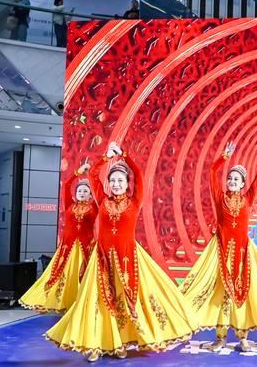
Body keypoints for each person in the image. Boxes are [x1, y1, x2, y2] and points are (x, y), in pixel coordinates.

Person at [45, 142, 198, 362]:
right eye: (113, 181)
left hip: (128, 260)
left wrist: (125, 156)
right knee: (97, 301)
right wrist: (107, 158)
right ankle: (95, 345)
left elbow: (139, 175)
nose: (116, 184)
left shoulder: (135, 201)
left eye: (120, 181)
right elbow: (94, 174)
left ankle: (121, 343)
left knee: (123, 302)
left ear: (127, 184)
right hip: (101, 259)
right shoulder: (102, 199)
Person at [180, 141, 257, 352]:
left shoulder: (248, 198)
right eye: (230, 178)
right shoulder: (220, 197)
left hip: (242, 252)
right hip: (221, 251)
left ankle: (243, 338)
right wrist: (224, 157)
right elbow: (211, 172)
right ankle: (220, 338)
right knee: (220, 295)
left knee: (242, 294)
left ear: (243, 184)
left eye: (236, 179)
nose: (232, 181)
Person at [19, 164, 97, 312]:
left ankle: (80, 304)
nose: (81, 193)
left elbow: (99, 191)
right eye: (79, 191)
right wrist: (78, 172)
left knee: (82, 275)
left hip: (85, 248)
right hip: (67, 247)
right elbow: (66, 185)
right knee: (61, 275)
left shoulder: (94, 207)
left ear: (91, 195)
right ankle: (61, 302)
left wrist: (91, 175)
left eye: (85, 191)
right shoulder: (69, 204)